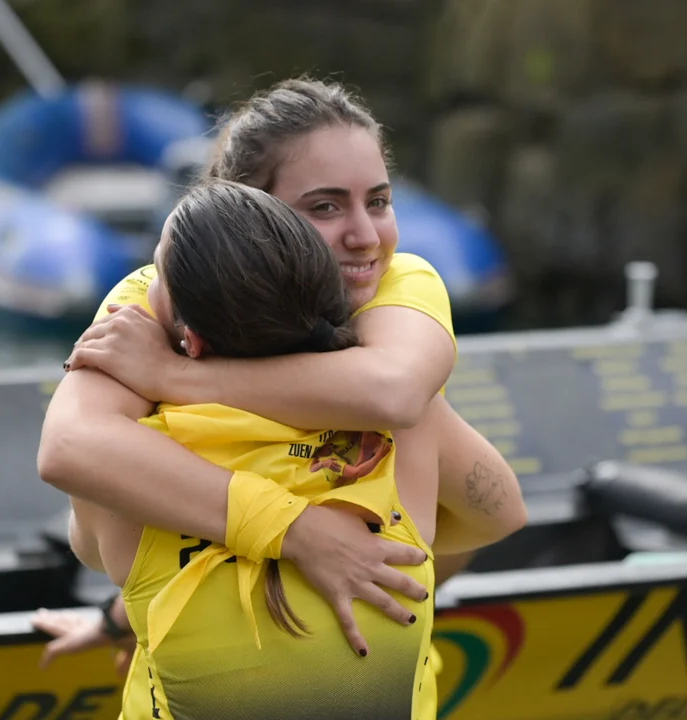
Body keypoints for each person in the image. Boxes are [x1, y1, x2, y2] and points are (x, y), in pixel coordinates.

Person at [38, 77, 526, 658]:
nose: (365, 237)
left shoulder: (396, 281)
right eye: (325, 207)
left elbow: (394, 394)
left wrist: (173, 377)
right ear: (246, 208)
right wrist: (299, 533)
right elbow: (69, 449)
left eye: (378, 201)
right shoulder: (156, 295)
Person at [63, 178, 447, 719]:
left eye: (156, 276)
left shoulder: (128, 484)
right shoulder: (400, 438)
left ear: (191, 340)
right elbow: (499, 510)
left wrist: (157, 375)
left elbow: (85, 533)